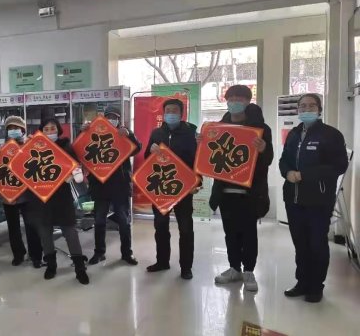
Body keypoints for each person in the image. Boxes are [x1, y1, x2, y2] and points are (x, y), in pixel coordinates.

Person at [279, 94, 348, 303]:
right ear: (297, 110)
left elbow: (339, 165)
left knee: (317, 244)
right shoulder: (293, 134)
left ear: (319, 109)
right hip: (293, 199)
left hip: (318, 200)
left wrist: (306, 175)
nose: (306, 109)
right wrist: (287, 173)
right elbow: (284, 160)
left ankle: (316, 286)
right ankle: (302, 282)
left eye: (311, 106)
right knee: (300, 244)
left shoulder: (331, 135)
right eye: (302, 106)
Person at [210, 85, 273, 293]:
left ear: (248, 101)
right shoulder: (219, 127)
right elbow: (210, 158)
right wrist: (202, 142)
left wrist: (263, 149)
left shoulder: (261, 129)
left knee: (249, 234)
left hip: (250, 192)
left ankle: (249, 271)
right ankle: (234, 268)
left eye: (240, 98)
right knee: (230, 233)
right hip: (225, 191)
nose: (235, 102)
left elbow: (268, 160)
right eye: (231, 98)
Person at [144, 99, 199, 280]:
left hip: (184, 188)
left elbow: (198, 161)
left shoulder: (191, 134)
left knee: (185, 229)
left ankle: (186, 267)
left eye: (175, 110)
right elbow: (147, 159)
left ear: (181, 114)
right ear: (163, 113)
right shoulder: (157, 133)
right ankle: (162, 261)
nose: (171, 114)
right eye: (168, 110)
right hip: (161, 187)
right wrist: (150, 151)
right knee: (160, 226)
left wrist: (196, 183)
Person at [30, 118, 89, 285]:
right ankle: (51, 265)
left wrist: (73, 174)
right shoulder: (35, 146)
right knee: (45, 232)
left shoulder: (66, 146)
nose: (50, 132)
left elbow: (76, 167)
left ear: (58, 130)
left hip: (62, 196)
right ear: (41, 131)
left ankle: (80, 268)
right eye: (46, 129)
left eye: (53, 128)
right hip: (42, 196)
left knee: (70, 231)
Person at [85, 106, 141, 266]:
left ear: (119, 120)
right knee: (99, 221)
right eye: (109, 117)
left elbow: (137, 148)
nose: (111, 120)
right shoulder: (94, 133)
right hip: (100, 186)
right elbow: (81, 150)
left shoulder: (123, 134)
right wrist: (84, 132)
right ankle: (99, 253)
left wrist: (129, 135)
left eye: (115, 117)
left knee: (123, 221)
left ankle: (127, 253)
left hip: (120, 186)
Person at [0, 115, 43, 268]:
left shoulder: (29, 144)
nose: (13, 130)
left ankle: (36, 256)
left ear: (22, 130)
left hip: (28, 194)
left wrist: (34, 145)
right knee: (13, 227)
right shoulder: (2, 148)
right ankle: (18, 254)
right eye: (10, 128)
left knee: (31, 226)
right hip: (9, 194)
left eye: (16, 128)